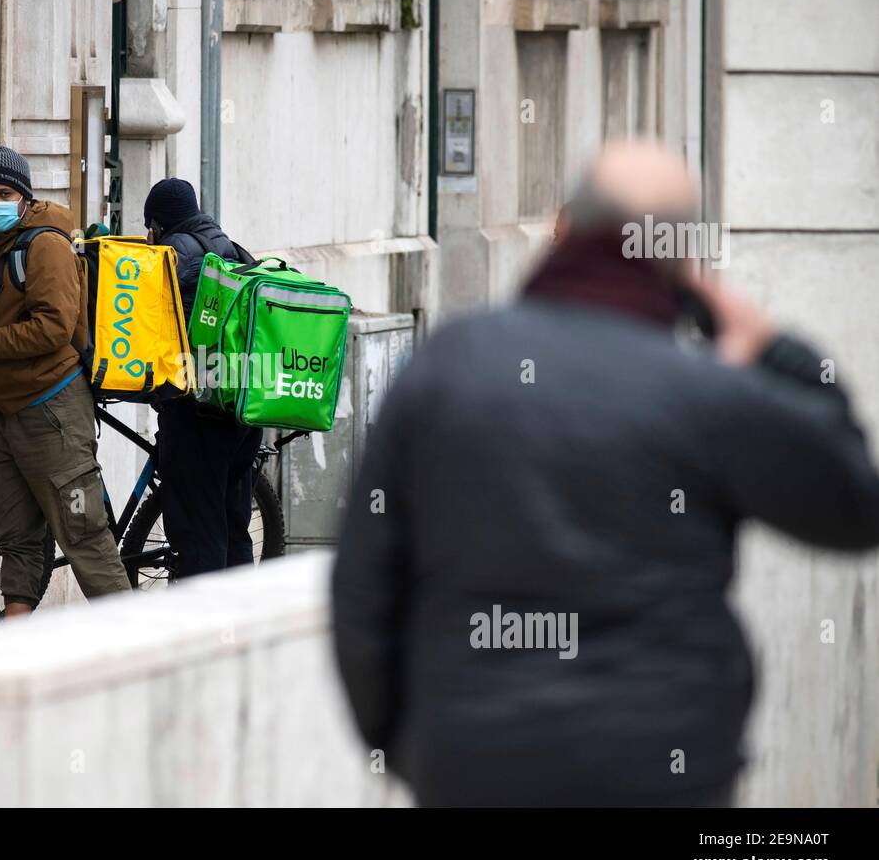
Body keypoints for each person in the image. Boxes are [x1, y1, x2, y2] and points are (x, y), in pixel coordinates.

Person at [331, 140, 879, 807]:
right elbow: (853, 504)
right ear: (683, 258)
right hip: (654, 769)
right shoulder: (702, 395)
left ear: (570, 230)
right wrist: (773, 350)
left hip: (472, 762)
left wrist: (409, 743)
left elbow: (362, 582)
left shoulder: (449, 362)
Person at [0, 146, 130, 617]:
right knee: (16, 537)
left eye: (4, 192)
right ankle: (16, 648)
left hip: (52, 409)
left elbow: (54, 328)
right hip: (11, 410)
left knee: (83, 534)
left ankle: (135, 644)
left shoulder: (44, 244)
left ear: (24, 196)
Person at [144, 178, 264, 577]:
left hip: (197, 410)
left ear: (158, 223)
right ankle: (239, 626)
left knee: (198, 532)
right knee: (233, 527)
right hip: (241, 409)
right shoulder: (231, 249)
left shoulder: (172, 254)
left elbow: (147, 324)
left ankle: (204, 632)